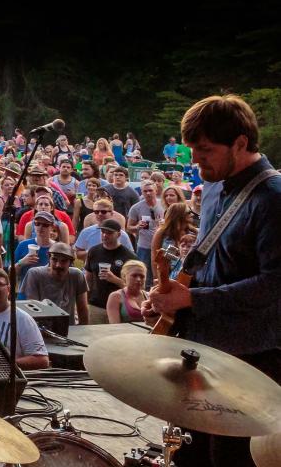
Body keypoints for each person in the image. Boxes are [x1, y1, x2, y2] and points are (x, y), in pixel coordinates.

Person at [144, 95, 281, 467]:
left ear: (240, 142)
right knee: (188, 454)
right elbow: (209, 264)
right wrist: (169, 299)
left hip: (252, 357)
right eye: (192, 150)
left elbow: (274, 285)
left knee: (229, 459)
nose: (195, 161)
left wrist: (194, 301)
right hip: (203, 349)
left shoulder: (273, 198)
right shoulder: (215, 186)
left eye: (204, 150)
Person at [83, 218, 139, 323]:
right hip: (96, 305)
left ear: (118, 235)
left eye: (109, 233)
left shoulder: (129, 257)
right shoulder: (93, 251)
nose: (105, 235)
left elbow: (135, 288)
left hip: (119, 306)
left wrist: (115, 279)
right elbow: (88, 278)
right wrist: (86, 300)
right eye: (103, 232)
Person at [21, 242, 91, 324]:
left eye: (63, 261)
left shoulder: (77, 275)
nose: (58, 265)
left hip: (69, 327)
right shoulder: (35, 274)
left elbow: (82, 308)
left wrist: (83, 330)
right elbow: (33, 307)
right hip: (42, 327)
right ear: (49, 258)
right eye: (54, 259)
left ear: (71, 262)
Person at [106, 260, 149, 325]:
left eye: (142, 276)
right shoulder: (115, 296)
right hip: (125, 334)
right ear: (124, 276)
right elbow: (115, 326)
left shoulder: (149, 296)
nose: (138, 279)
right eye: (134, 276)